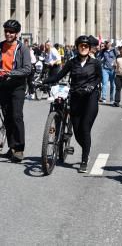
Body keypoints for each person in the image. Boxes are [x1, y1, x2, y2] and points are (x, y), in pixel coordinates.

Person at [43, 35, 102, 172]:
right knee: (76, 132)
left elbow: (99, 78)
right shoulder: (72, 62)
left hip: (90, 99)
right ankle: (86, 147)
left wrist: (92, 86)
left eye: (86, 46)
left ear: (89, 48)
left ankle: (84, 159)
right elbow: (58, 76)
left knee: (85, 129)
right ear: (77, 47)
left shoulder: (95, 63)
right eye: (81, 45)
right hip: (75, 98)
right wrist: (43, 81)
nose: (83, 47)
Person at [0, 20, 31, 162]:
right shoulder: (1, 46)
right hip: (3, 86)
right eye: (6, 31)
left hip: (17, 86)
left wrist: (10, 73)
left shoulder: (22, 48)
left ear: (16, 34)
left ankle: (19, 149)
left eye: (11, 32)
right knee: (7, 117)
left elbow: (27, 69)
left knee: (17, 116)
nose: (8, 34)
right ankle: (12, 147)